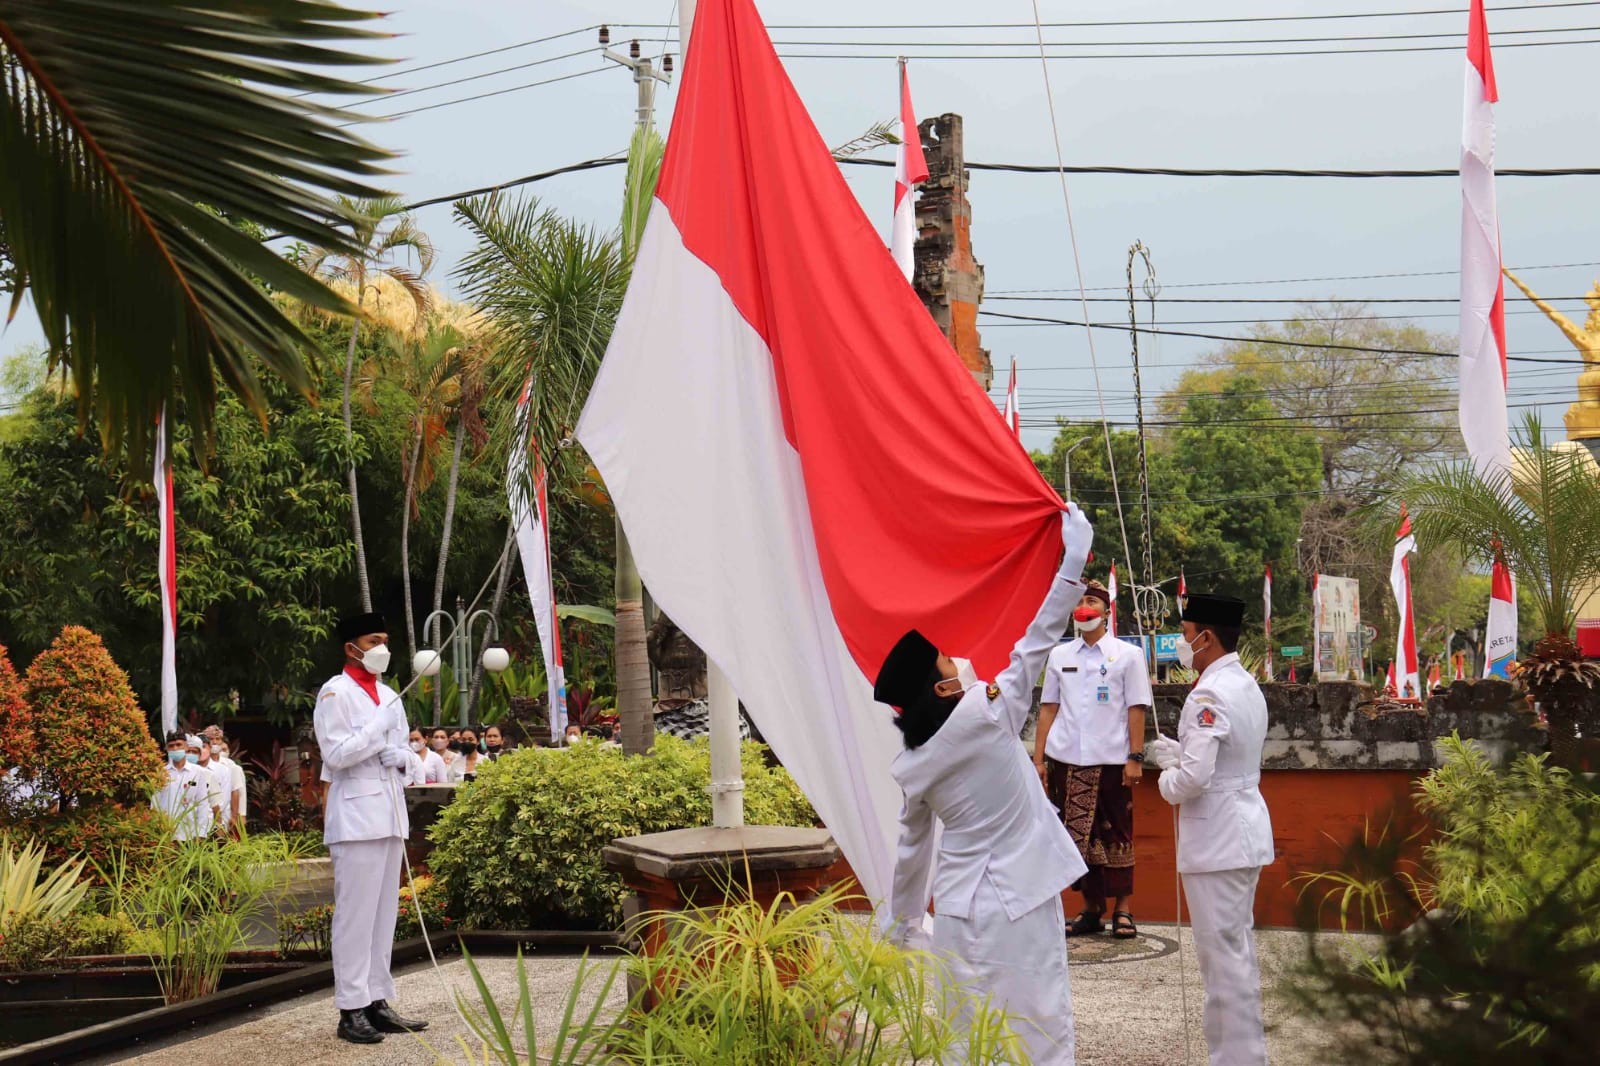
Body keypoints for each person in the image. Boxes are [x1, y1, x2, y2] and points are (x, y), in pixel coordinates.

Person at [878, 506, 1094, 1065]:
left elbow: (911, 852)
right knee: (1036, 1028)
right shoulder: (990, 712)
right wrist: (1072, 559)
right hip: (1020, 901)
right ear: (941, 686)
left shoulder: (913, 765)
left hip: (955, 908)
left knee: (964, 1033)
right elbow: (1040, 635)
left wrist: (902, 925)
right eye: (949, 661)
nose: (961, 662)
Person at [1147, 593, 1275, 1066]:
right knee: (1232, 957)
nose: (1183, 645)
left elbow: (1194, 781)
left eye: (1185, 636)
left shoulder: (1208, 693)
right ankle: (1235, 1056)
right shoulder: (1244, 684)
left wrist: (1167, 776)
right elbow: (1224, 761)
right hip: (1240, 828)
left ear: (1206, 636)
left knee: (1223, 966)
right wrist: (1180, 755)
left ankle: (1238, 1059)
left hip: (1217, 837)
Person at [314, 612, 429, 1044]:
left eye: (385, 639)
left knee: (384, 916)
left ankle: (378, 1000)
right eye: (373, 639)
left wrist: (404, 758)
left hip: (390, 813)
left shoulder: (390, 695)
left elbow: (407, 757)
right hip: (356, 817)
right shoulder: (335, 693)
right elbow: (337, 754)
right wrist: (377, 730)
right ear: (352, 647)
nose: (382, 647)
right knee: (355, 918)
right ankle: (351, 1008)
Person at [1035, 578, 1153, 939]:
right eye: (1080, 601)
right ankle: (1091, 909)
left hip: (1112, 761)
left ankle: (1123, 909)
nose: (1084, 607)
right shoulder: (1060, 655)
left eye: (1092, 601)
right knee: (1075, 841)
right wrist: (1038, 760)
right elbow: (1048, 709)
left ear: (1106, 611)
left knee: (1117, 835)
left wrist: (1135, 756)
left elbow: (1136, 709)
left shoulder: (1127, 656)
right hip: (1066, 761)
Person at [152, 731, 212, 841]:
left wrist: (201, 834)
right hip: (166, 835)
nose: (175, 748)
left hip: (190, 835)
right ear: (166, 749)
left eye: (179, 745)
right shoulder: (161, 773)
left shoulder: (198, 772)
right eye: (171, 746)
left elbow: (202, 803)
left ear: (186, 747)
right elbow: (155, 804)